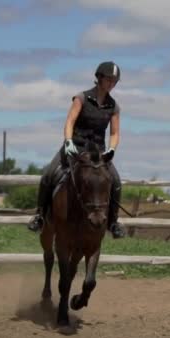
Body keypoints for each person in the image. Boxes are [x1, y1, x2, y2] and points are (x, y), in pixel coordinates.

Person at [27, 61, 126, 239]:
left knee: (116, 181)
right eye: (109, 80)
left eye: (114, 81)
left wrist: (111, 149)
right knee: (48, 174)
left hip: (98, 154)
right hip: (75, 147)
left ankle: (113, 222)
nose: (111, 84)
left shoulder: (114, 106)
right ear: (99, 78)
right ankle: (40, 216)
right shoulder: (81, 98)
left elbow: (115, 132)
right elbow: (70, 122)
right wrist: (68, 141)